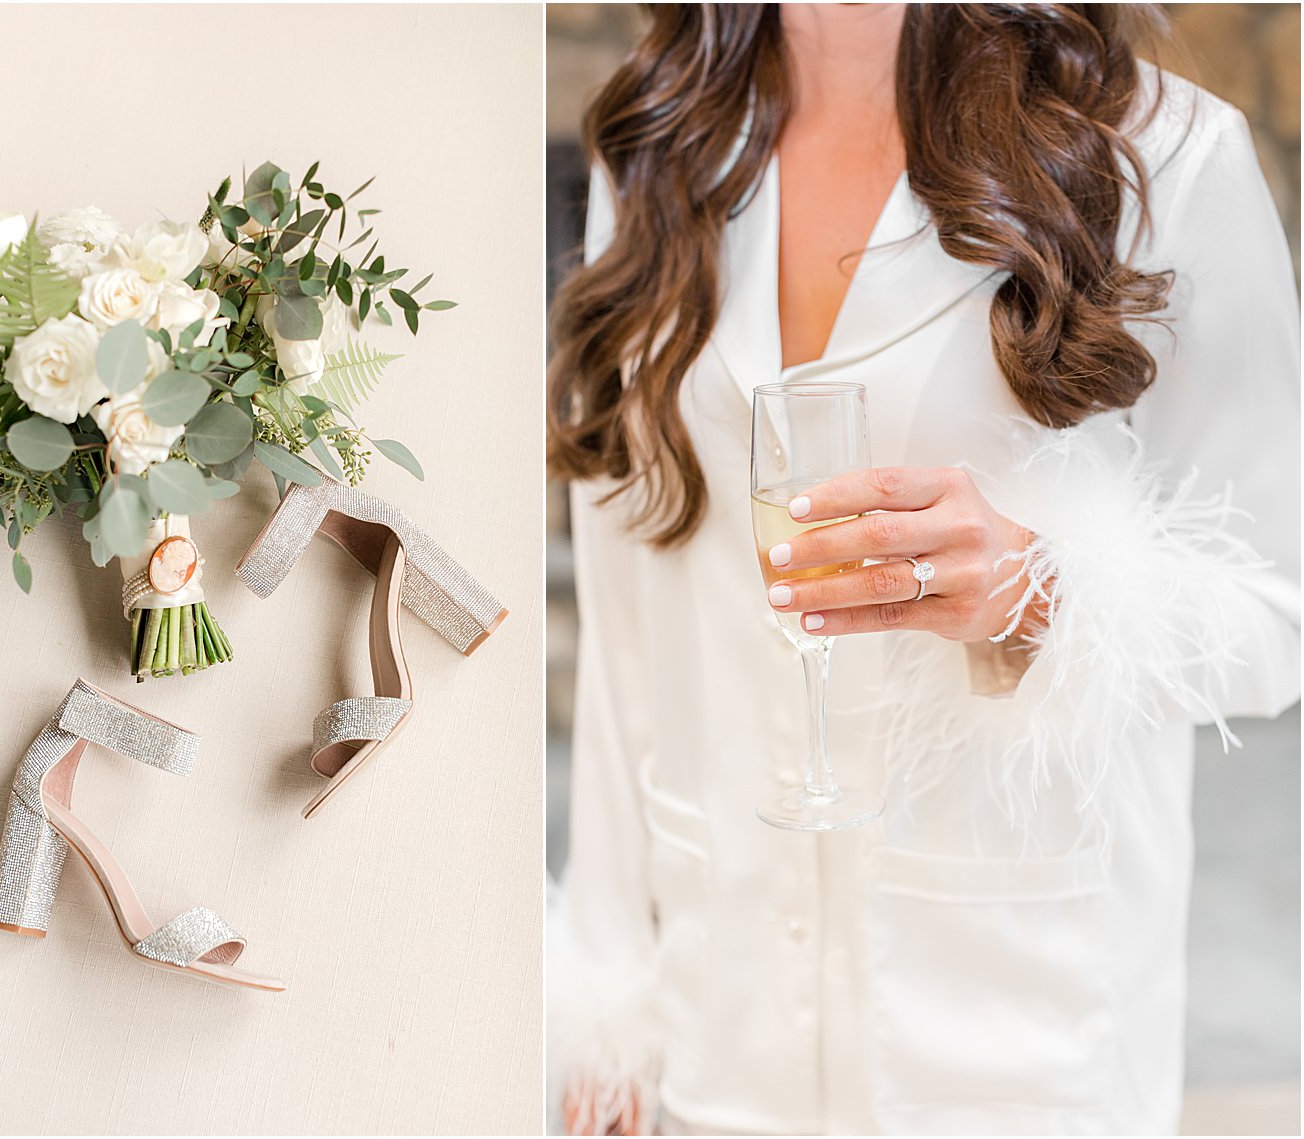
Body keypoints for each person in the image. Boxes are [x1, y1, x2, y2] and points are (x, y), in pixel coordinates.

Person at [546, 4, 1301, 1135]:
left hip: (1014, 1028)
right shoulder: (651, 152)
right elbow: (629, 619)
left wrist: (1042, 590)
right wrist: (605, 1005)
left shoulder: (1162, 156)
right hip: (723, 1016)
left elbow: (1275, 613)